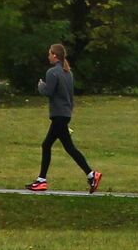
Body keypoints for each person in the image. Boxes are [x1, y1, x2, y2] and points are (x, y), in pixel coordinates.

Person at [27, 42, 102, 193]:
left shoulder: (52, 72)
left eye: (49, 53)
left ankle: (43, 180)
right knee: (60, 146)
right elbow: (68, 95)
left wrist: (40, 86)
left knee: (52, 145)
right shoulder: (68, 72)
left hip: (58, 115)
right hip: (65, 114)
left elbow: (49, 92)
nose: (48, 56)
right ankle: (90, 175)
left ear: (55, 55)